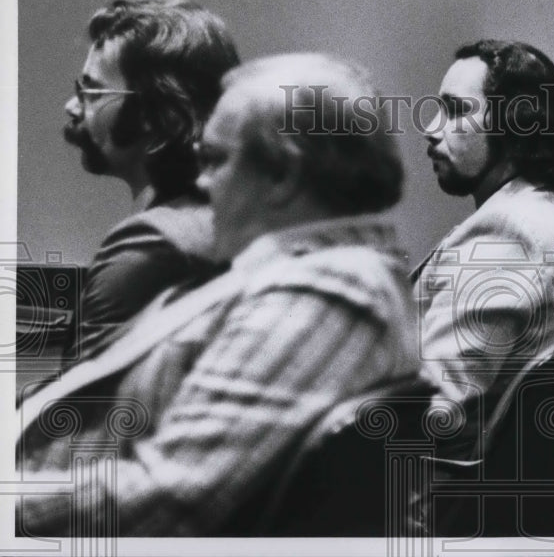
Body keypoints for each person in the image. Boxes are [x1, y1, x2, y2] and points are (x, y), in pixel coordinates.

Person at [17, 53, 423, 535]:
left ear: (282, 176)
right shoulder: (318, 275)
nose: (203, 184)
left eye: (214, 160)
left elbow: (171, 494)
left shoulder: (329, 294)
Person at [414, 39, 554, 454]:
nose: (432, 129)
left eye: (456, 111)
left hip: (437, 500)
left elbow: (435, 408)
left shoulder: (509, 233)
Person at [55, 0, 239, 373]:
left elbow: (79, 420)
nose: (72, 107)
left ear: (163, 118)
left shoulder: (148, 249)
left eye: (92, 92)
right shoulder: (224, 221)